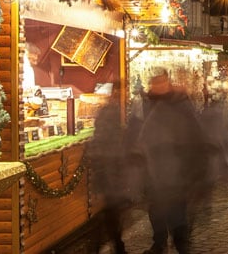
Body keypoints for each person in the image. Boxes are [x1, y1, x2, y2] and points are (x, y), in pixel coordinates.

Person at [137, 68, 208, 254]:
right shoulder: (146, 102)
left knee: (177, 208)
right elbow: (139, 130)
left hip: (177, 164)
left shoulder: (180, 103)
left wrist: (195, 164)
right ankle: (159, 242)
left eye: (161, 82)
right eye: (155, 82)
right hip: (153, 165)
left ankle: (181, 244)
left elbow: (195, 132)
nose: (158, 85)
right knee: (155, 207)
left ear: (167, 82)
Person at [87, 91, 138, 254]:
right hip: (110, 175)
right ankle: (111, 245)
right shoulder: (114, 122)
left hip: (109, 174)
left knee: (111, 211)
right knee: (112, 211)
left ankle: (110, 245)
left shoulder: (107, 120)